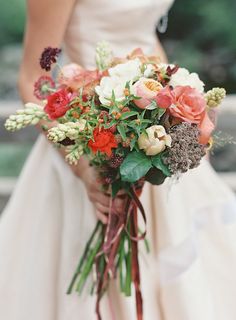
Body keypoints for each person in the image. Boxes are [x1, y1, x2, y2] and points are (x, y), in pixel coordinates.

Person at [1, 0, 236, 319]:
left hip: (155, 131)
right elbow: (32, 78)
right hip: (89, 142)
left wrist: (180, 114)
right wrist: (84, 168)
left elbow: (146, 40)